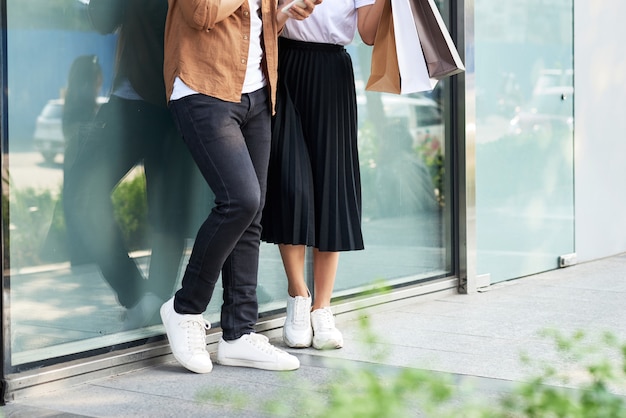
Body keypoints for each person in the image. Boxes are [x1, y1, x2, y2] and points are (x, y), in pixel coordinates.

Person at [159, 0, 319, 374]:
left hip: (256, 93)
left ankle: (238, 333)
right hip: (203, 87)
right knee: (240, 200)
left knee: (252, 214)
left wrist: (285, 11)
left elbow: (257, 27)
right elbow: (200, 12)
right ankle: (185, 307)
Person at [261, 0, 385, 350]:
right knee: (290, 182)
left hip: (333, 70)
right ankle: (298, 294)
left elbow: (369, 33)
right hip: (283, 63)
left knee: (332, 185)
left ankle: (322, 307)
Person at [63, 0, 194, 329]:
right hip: (129, 102)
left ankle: (155, 299)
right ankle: (138, 295)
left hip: (179, 100)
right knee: (79, 193)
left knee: (167, 211)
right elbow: (103, 19)